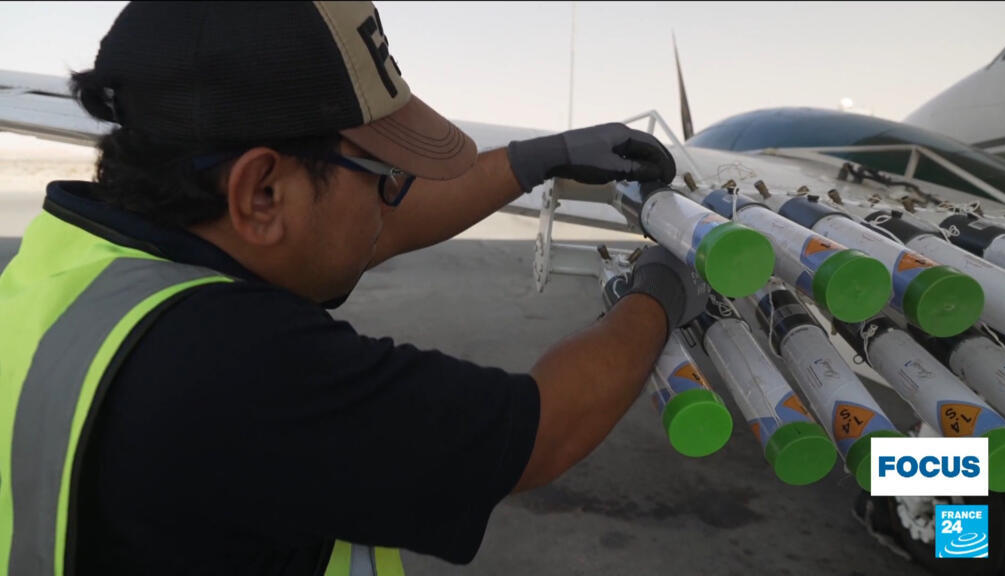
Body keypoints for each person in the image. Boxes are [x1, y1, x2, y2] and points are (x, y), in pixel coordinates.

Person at [0, 2, 707, 575]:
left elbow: (375, 233)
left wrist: (534, 161)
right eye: (383, 177)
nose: (389, 207)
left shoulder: (72, 265)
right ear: (262, 192)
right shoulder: (236, 369)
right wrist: (656, 290)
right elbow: (545, 429)